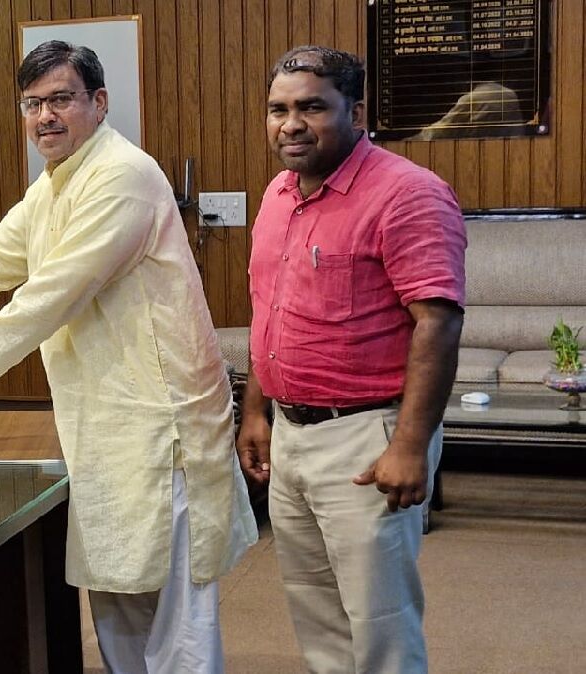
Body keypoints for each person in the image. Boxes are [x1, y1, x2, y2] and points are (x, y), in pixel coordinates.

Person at [0, 41, 256, 673]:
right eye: (32, 104)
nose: (45, 117)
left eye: (61, 99)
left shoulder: (123, 175)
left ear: (99, 102)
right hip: (106, 418)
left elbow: (51, 296)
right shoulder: (57, 181)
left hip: (162, 419)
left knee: (176, 613)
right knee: (117, 591)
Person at [238, 46, 466, 674]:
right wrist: (256, 410)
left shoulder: (408, 193)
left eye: (312, 107)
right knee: (316, 610)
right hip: (291, 433)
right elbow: (270, 311)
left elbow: (439, 324)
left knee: (379, 620)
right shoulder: (279, 194)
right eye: (278, 109)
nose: (291, 124)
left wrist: (410, 446)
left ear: (356, 112)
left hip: (368, 437)